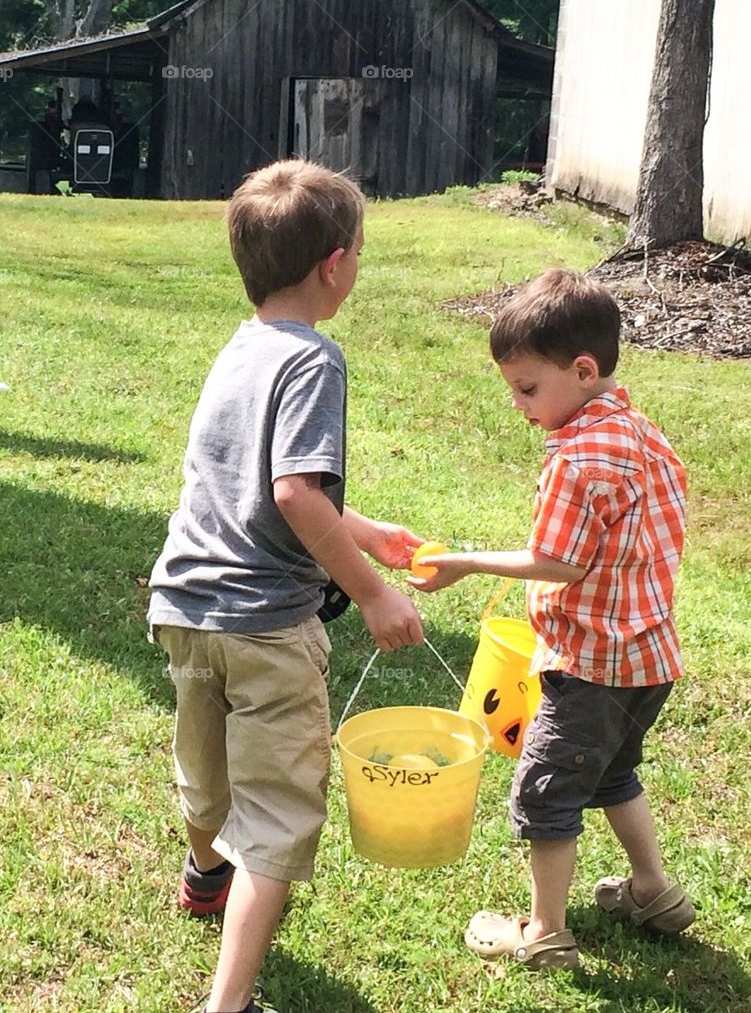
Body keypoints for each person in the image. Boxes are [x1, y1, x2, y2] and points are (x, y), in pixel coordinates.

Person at [147, 159, 424, 1013]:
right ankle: (225, 1004)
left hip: (187, 611)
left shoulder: (238, 349)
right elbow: (296, 490)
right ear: (334, 265)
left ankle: (202, 874)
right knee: (273, 816)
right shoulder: (315, 359)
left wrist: (363, 531)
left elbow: (248, 480)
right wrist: (375, 591)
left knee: (207, 770)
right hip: (267, 630)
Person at [410, 268, 693, 971]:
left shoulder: (578, 457)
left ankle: (543, 932)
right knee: (612, 772)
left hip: (589, 668)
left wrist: (467, 563)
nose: (518, 404)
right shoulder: (640, 432)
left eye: (527, 387)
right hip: (648, 660)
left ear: (584, 369)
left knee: (545, 792)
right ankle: (655, 890)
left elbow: (557, 561)